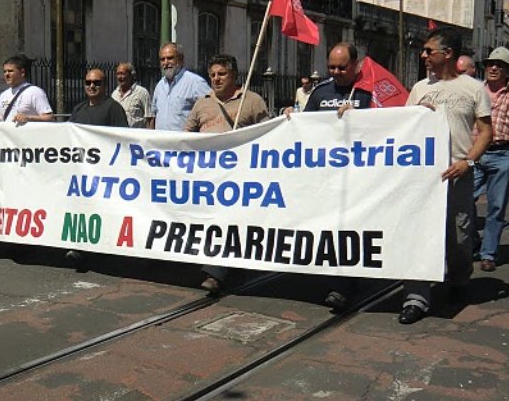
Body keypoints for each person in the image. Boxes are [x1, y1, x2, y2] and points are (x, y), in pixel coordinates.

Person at [399, 28, 492, 325]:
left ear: (448, 53)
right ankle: (416, 297)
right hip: (422, 177)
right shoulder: (419, 88)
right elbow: (403, 128)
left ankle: (459, 280)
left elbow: (486, 132)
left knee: (459, 235)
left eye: (429, 51)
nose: (423, 56)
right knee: (418, 234)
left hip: (457, 174)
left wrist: (468, 162)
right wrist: (416, 114)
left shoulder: (473, 88)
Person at [284, 43, 373, 311]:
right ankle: (337, 277)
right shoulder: (321, 92)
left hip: (358, 177)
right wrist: (291, 117)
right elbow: (305, 127)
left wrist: (361, 119)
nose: (335, 72)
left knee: (350, 229)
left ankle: (344, 284)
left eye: (341, 67)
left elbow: (389, 127)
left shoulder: (368, 92)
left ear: (355, 65)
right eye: (331, 67)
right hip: (324, 177)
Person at [185, 54, 269, 293]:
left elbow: (269, 134)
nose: (216, 79)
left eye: (221, 74)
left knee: (228, 222)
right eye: (212, 75)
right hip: (207, 177)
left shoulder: (252, 101)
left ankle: (216, 272)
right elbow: (186, 135)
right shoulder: (202, 104)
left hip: (238, 178)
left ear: (234, 76)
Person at [472, 47, 509, 272]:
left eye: (500, 65)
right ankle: (473, 242)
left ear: (508, 71)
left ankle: (488, 253)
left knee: (496, 207)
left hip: (503, 154)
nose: (494, 68)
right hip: (475, 153)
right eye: (490, 64)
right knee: (464, 201)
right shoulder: (475, 90)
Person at [65, 68, 129, 270]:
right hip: (81, 172)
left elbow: (122, 140)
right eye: (88, 82)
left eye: (97, 83)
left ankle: (98, 249)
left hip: (104, 173)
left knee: (99, 211)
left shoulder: (114, 108)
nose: (92, 86)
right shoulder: (79, 109)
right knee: (80, 210)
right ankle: (79, 248)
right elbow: (67, 136)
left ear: (105, 85)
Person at [150, 43, 210, 131]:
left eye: (170, 58)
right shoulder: (160, 86)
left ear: (180, 59)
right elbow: (153, 116)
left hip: (185, 139)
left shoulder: (195, 82)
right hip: (160, 139)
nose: (166, 63)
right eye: (162, 59)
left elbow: (211, 111)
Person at [0, 55, 54, 126]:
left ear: (22, 72)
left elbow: (49, 117)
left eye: (10, 71)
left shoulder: (35, 92)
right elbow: (1, 119)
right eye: (5, 71)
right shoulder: (3, 95)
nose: (7, 74)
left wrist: (28, 118)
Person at [110, 62, 152, 128]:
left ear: (131, 75)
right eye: (118, 74)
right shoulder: (114, 94)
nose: (120, 77)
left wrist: (150, 133)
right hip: (118, 133)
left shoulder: (142, 92)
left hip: (136, 134)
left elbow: (150, 117)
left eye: (122, 74)